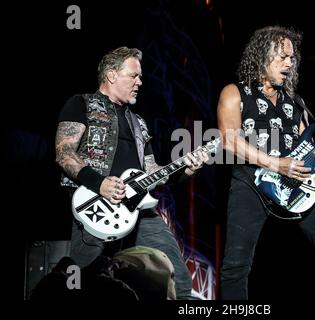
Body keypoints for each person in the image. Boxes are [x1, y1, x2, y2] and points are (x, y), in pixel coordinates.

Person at [217, 26, 315, 299]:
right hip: (249, 183)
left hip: (297, 182)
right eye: (282, 56)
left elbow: (310, 149)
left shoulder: (295, 102)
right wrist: (275, 163)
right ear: (262, 56)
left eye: (291, 58)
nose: (289, 63)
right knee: (236, 266)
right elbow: (228, 140)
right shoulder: (234, 93)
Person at [55, 46, 209, 299]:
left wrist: (185, 170)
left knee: (179, 278)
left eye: (140, 77)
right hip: (96, 204)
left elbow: (152, 171)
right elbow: (64, 153)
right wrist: (100, 184)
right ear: (112, 75)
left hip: (138, 208)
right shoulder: (80, 103)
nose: (140, 82)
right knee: (85, 280)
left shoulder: (139, 122)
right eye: (133, 76)